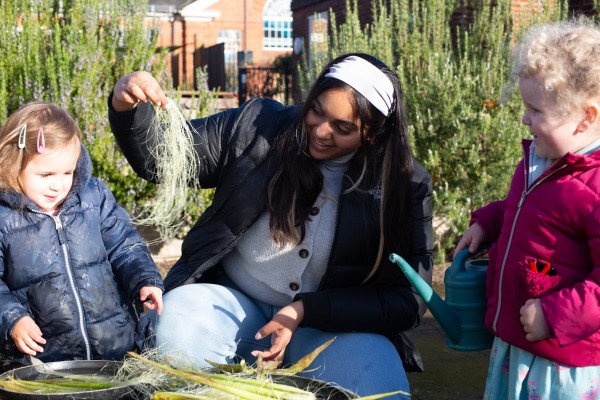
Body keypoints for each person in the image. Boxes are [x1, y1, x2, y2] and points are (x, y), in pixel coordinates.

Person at [108, 53, 434, 398]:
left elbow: (407, 301)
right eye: (318, 111)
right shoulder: (259, 126)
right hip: (235, 306)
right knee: (176, 326)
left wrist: (304, 310)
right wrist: (128, 106)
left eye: (343, 128)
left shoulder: (404, 182)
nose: (321, 132)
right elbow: (167, 156)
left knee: (379, 389)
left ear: (374, 132)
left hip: (332, 326)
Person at [453, 20, 600, 399]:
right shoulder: (538, 159)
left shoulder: (594, 189)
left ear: (586, 117)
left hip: (562, 360)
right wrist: (486, 223)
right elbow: (518, 208)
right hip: (517, 344)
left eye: (535, 110)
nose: (524, 119)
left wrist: (554, 316)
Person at [0, 101, 164, 370]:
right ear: (13, 165)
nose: (58, 184)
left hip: (115, 349)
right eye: (45, 174)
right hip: (46, 362)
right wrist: (13, 318)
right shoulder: (5, 217)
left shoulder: (92, 197)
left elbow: (125, 245)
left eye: (68, 172)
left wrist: (144, 279)